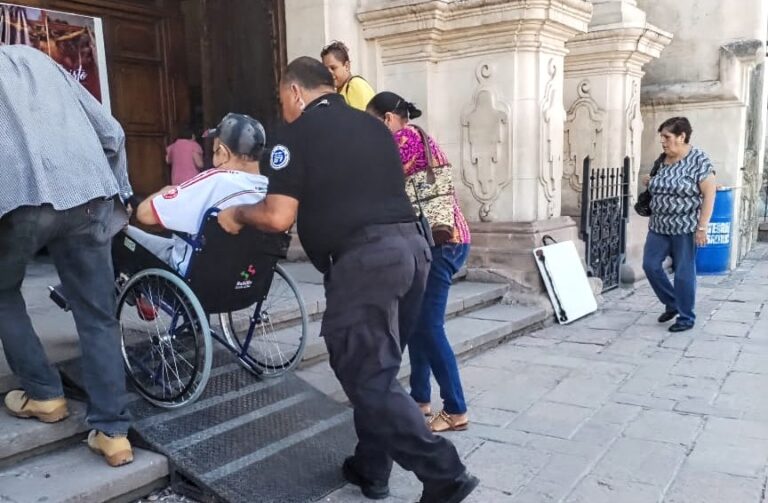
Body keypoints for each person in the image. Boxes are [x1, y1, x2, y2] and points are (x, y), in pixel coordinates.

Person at [217, 57, 479, 503]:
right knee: (377, 367)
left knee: (365, 375)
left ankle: (445, 473)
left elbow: (278, 216)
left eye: (282, 97)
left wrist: (237, 213)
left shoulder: (294, 136)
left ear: (296, 92)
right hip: (412, 254)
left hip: (366, 262)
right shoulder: (374, 127)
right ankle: (371, 468)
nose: (281, 106)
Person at [0, 44, 133, 467]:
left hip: (19, 199)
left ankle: (44, 394)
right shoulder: (40, 61)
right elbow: (111, 132)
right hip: (88, 192)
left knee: (2, 294)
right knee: (97, 314)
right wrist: (120, 194)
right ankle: (113, 434)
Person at [367, 92, 472, 433]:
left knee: (428, 326)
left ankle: (456, 409)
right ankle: (420, 399)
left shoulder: (404, 139)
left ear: (386, 119)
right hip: (442, 241)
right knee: (416, 324)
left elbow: (376, 181)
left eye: (372, 123)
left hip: (442, 243)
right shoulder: (418, 137)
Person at [131, 113, 268, 274]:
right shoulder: (270, 190)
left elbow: (144, 214)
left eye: (215, 151)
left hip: (190, 272)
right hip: (243, 276)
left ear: (223, 153)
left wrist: (166, 190)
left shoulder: (216, 180)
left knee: (125, 237)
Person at [642, 117, 716, 332]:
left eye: (667, 137)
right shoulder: (662, 159)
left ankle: (686, 317)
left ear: (682, 136)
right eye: (662, 138)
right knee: (650, 265)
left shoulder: (698, 159)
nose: (663, 142)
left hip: (685, 227)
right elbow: (659, 182)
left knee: (684, 273)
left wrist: (702, 227)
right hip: (659, 226)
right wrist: (650, 181)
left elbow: (709, 194)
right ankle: (673, 302)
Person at [321, 40, 375, 111]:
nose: (329, 73)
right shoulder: (340, 90)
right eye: (326, 69)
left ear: (347, 66)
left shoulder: (355, 85)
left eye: (333, 68)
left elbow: (362, 119)